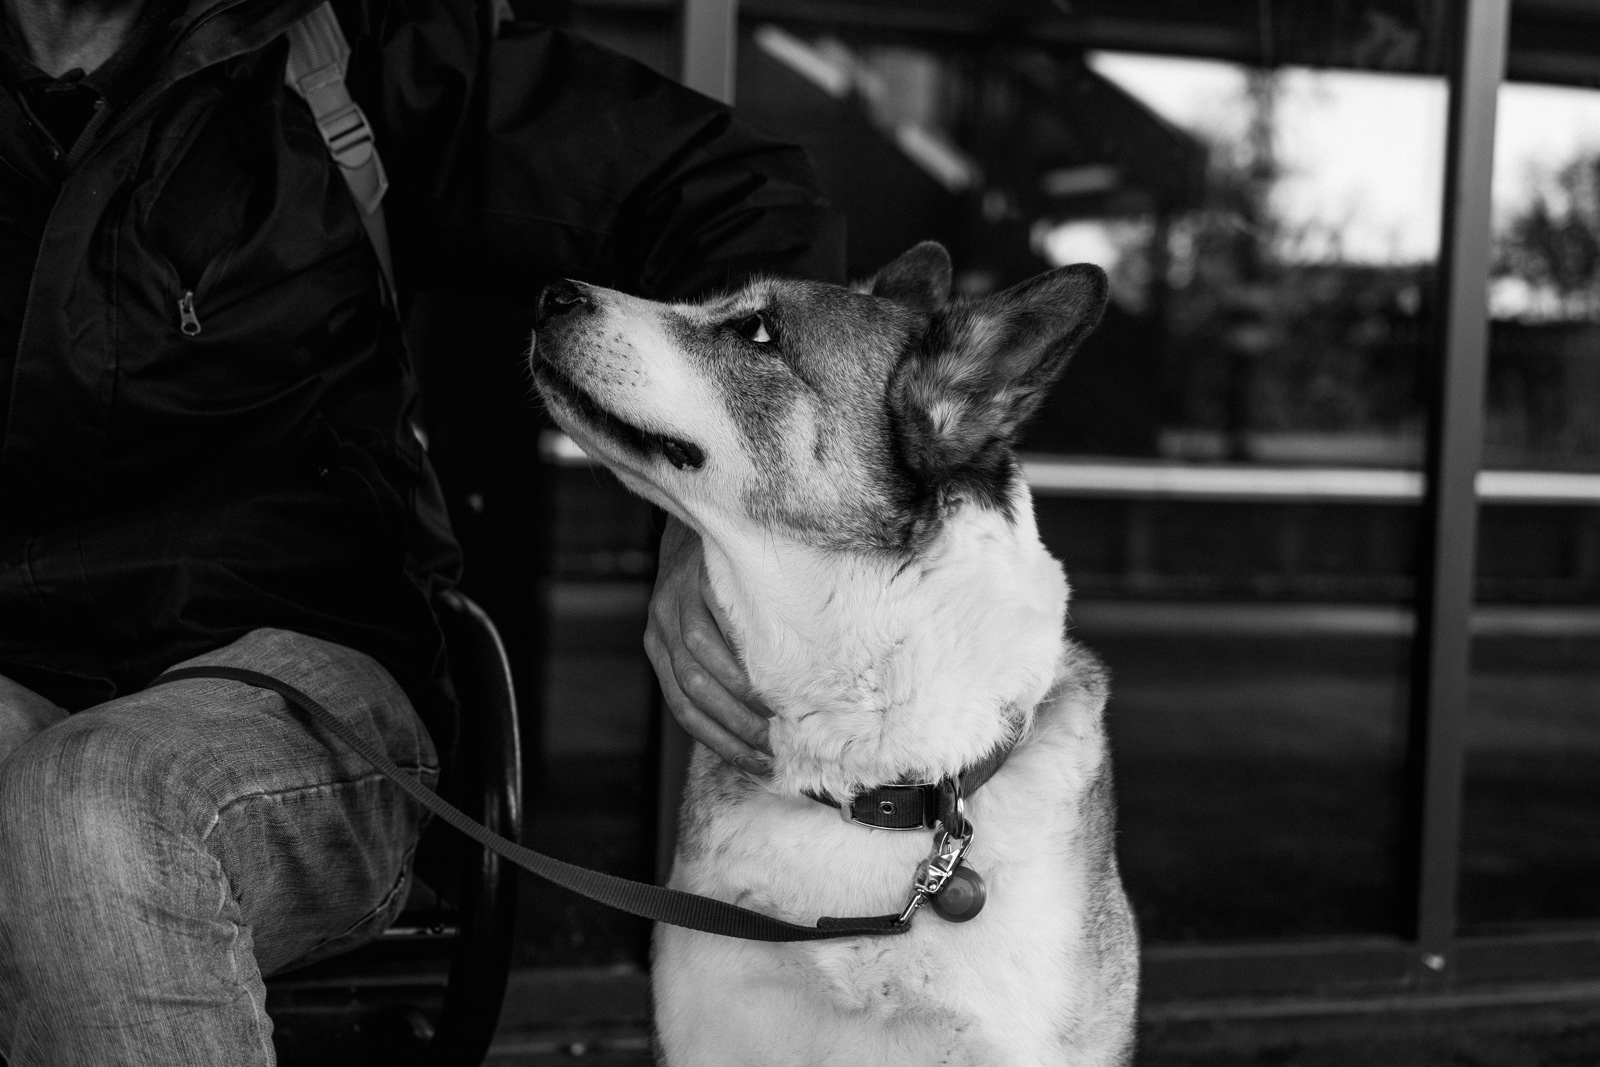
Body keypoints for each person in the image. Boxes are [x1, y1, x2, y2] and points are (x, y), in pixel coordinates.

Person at [0, 0, 840, 1062]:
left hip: (289, 675)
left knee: (90, 801)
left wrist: (700, 519)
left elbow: (737, 195)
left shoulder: (342, 49)